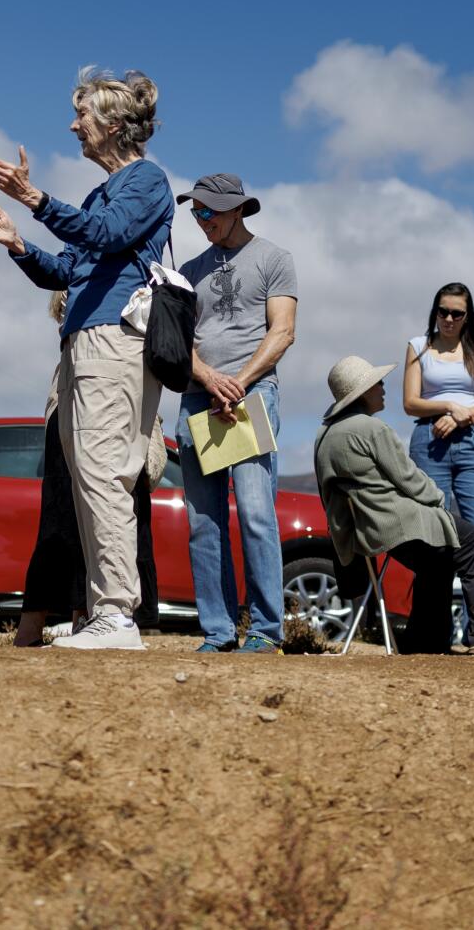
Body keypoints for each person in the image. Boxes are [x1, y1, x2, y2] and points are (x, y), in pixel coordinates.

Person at [0, 67, 173, 651]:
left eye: (82, 115)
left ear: (111, 125)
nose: (73, 125)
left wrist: (34, 198)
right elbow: (67, 270)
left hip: (114, 342)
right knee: (89, 478)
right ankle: (102, 610)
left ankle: (116, 614)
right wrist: (16, 243)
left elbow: (106, 235)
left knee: (105, 473)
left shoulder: (146, 181)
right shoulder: (102, 191)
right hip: (84, 342)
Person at [174, 173, 298, 654]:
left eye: (207, 211)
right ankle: (219, 631)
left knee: (253, 513)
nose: (200, 220)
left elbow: (283, 331)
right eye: (195, 213)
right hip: (198, 396)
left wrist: (239, 383)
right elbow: (176, 342)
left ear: (235, 209)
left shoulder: (274, 259)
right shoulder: (187, 270)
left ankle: (266, 631)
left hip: (252, 395)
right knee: (204, 521)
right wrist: (208, 379)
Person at [313, 356, 474, 655]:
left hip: (365, 532)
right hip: (399, 525)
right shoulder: (371, 429)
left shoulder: (324, 436)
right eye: (377, 383)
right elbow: (409, 480)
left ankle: (425, 642)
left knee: (437, 561)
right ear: (363, 392)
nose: (383, 387)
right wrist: (439, 500)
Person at [15, 291, 165, 645]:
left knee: (79, 516)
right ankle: (78, 620)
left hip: (93, 403)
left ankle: (74, 621)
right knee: (79, 517)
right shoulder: (93, 283)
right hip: (88, 404)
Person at [401, 283, 474, 548]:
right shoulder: (418, 346)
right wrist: (449, 406)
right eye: (443, 312)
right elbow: (410, 403)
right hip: (430, 440)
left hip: (472, 439)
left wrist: (461, 415)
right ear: (435, 312)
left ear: (467, 316)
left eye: (456, 314)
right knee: (432, 537)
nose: (448, 319)